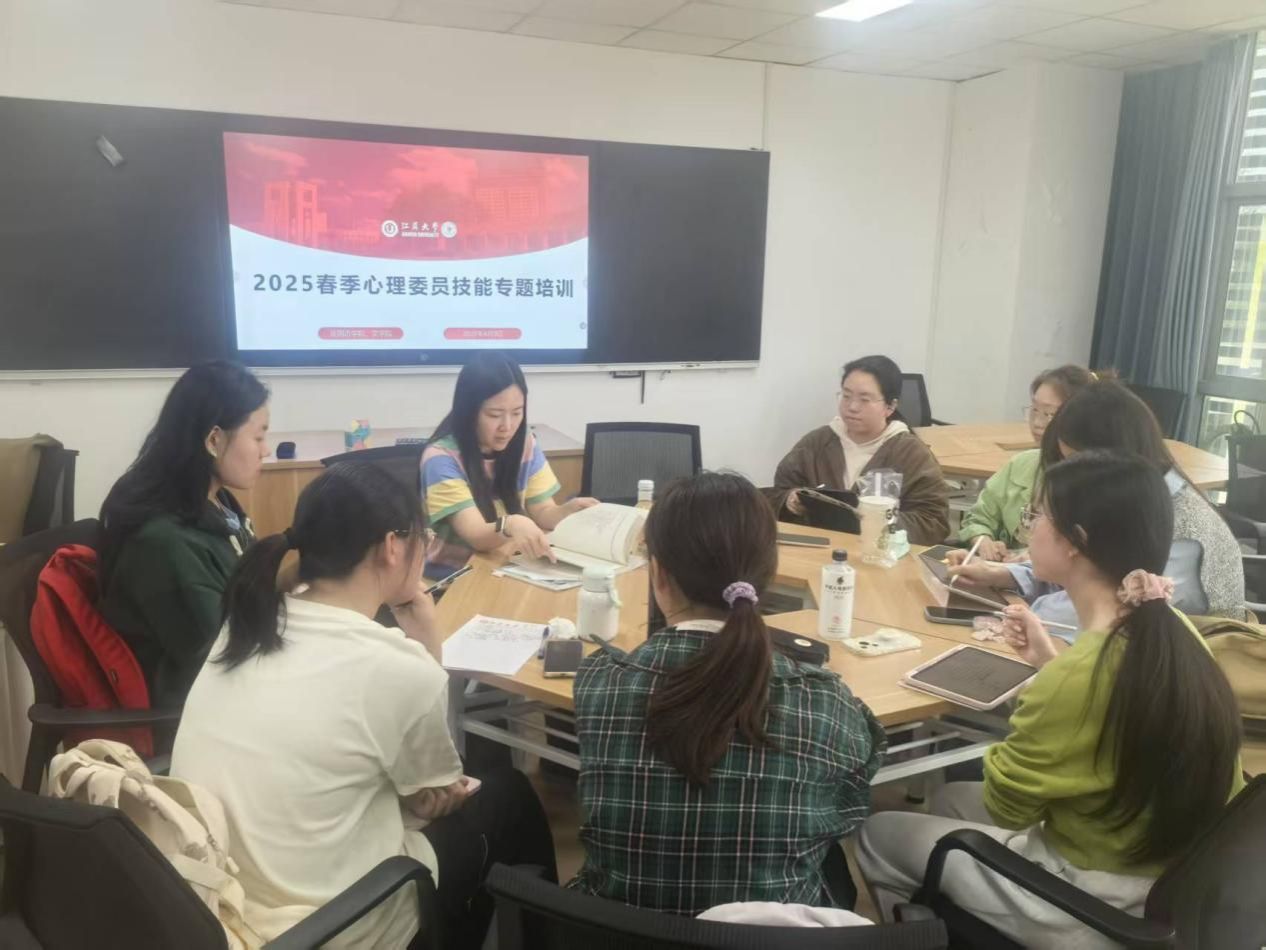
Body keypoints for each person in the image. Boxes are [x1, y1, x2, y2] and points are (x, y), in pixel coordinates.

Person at [858, 452, 1244, 949]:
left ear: (1075, 542)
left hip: (1094, 898)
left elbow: (1007, 807)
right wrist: (1049, 661)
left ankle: (935, 934)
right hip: (1174, 877)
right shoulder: (1174, 630)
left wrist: (1041, 694)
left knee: (878, 832)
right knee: (949, 799)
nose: (1029, 529)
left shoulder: (1077, 676)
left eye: (1037, 515)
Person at [171, 462, 557, 950]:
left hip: (217, 906)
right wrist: (427, 641)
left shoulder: (249, 622)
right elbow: (435, 793)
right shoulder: (394, 667)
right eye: (423, 538)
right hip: (333, 925)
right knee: (510, 798)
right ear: (392, 546)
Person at [570, 471, 885, 915]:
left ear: (658, 574)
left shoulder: (600, 681)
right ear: (768, 575)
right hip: (768, 935)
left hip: (615, 930)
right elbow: (850, 802)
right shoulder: (825, 702)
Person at [949, 380, 1249, 634]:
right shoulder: (1132, 500)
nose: (1073, 478)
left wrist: (1014, 616)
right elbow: (1091, 574)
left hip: (1166, 673)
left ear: (1114, 457)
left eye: (1077, 462)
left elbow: (1119, 615)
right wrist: (1005, 575)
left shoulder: (1181, 529)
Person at [98, 361, 269, 707]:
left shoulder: (217, 505)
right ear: (214, 439)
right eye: (258, 436)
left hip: (239, 685)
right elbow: (222, 656)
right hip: (200, 709)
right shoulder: (163, 543)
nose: (265, 450)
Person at [421, 353, 597, 578]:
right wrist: (511, 524)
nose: (508, 426)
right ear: (469, 411)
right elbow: (476, 535)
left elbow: (543, 511)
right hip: (451, 577)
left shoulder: (525, 443)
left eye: (517, 413)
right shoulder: (440, 458)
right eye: (494, 415)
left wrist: (568, 511)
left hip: (504, 564)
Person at [765, 355, 949, 544]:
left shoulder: (911, 453)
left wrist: (880, 521)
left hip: (881, 554)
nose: (852, 407)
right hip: (819, 550)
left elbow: (933, 521)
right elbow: (777, 493)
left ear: (890, 406)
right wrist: (789, 500)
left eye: (864, 399)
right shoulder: (816, 443)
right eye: (846, 396)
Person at [957, 365, 1096, 559]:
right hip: (1002, 569)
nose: (1037, 423)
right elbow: (979, 517)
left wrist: (1025, 562)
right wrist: (983, 540)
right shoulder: (1022, 464)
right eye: (1034, 410)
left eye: (1049, 414)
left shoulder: (1095, 479)